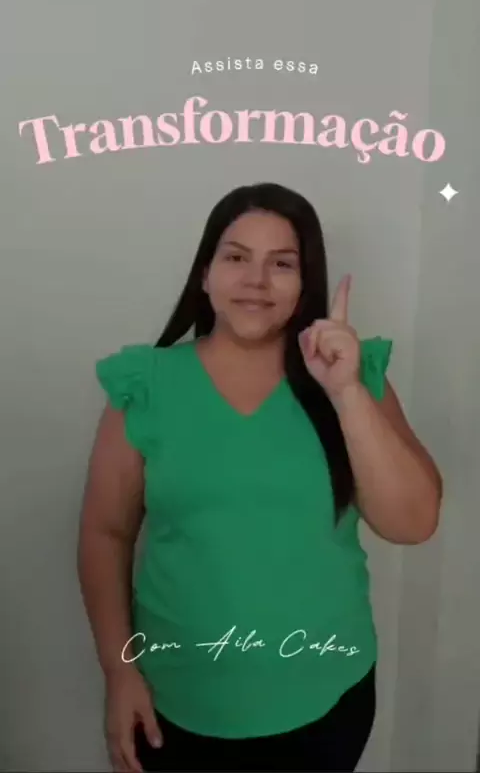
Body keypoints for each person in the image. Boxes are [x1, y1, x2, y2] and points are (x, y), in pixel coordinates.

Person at [77, 182, 442, 773]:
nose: (257, 280)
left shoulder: (355, 377)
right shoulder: (145, 385)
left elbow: (414, 523)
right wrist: (119, 674)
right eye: (236, 257)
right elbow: (105, 534)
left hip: (327, 699)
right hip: (174, 705)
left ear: (305, 283)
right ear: (205, 274)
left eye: (282, 264)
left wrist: (345, 392)